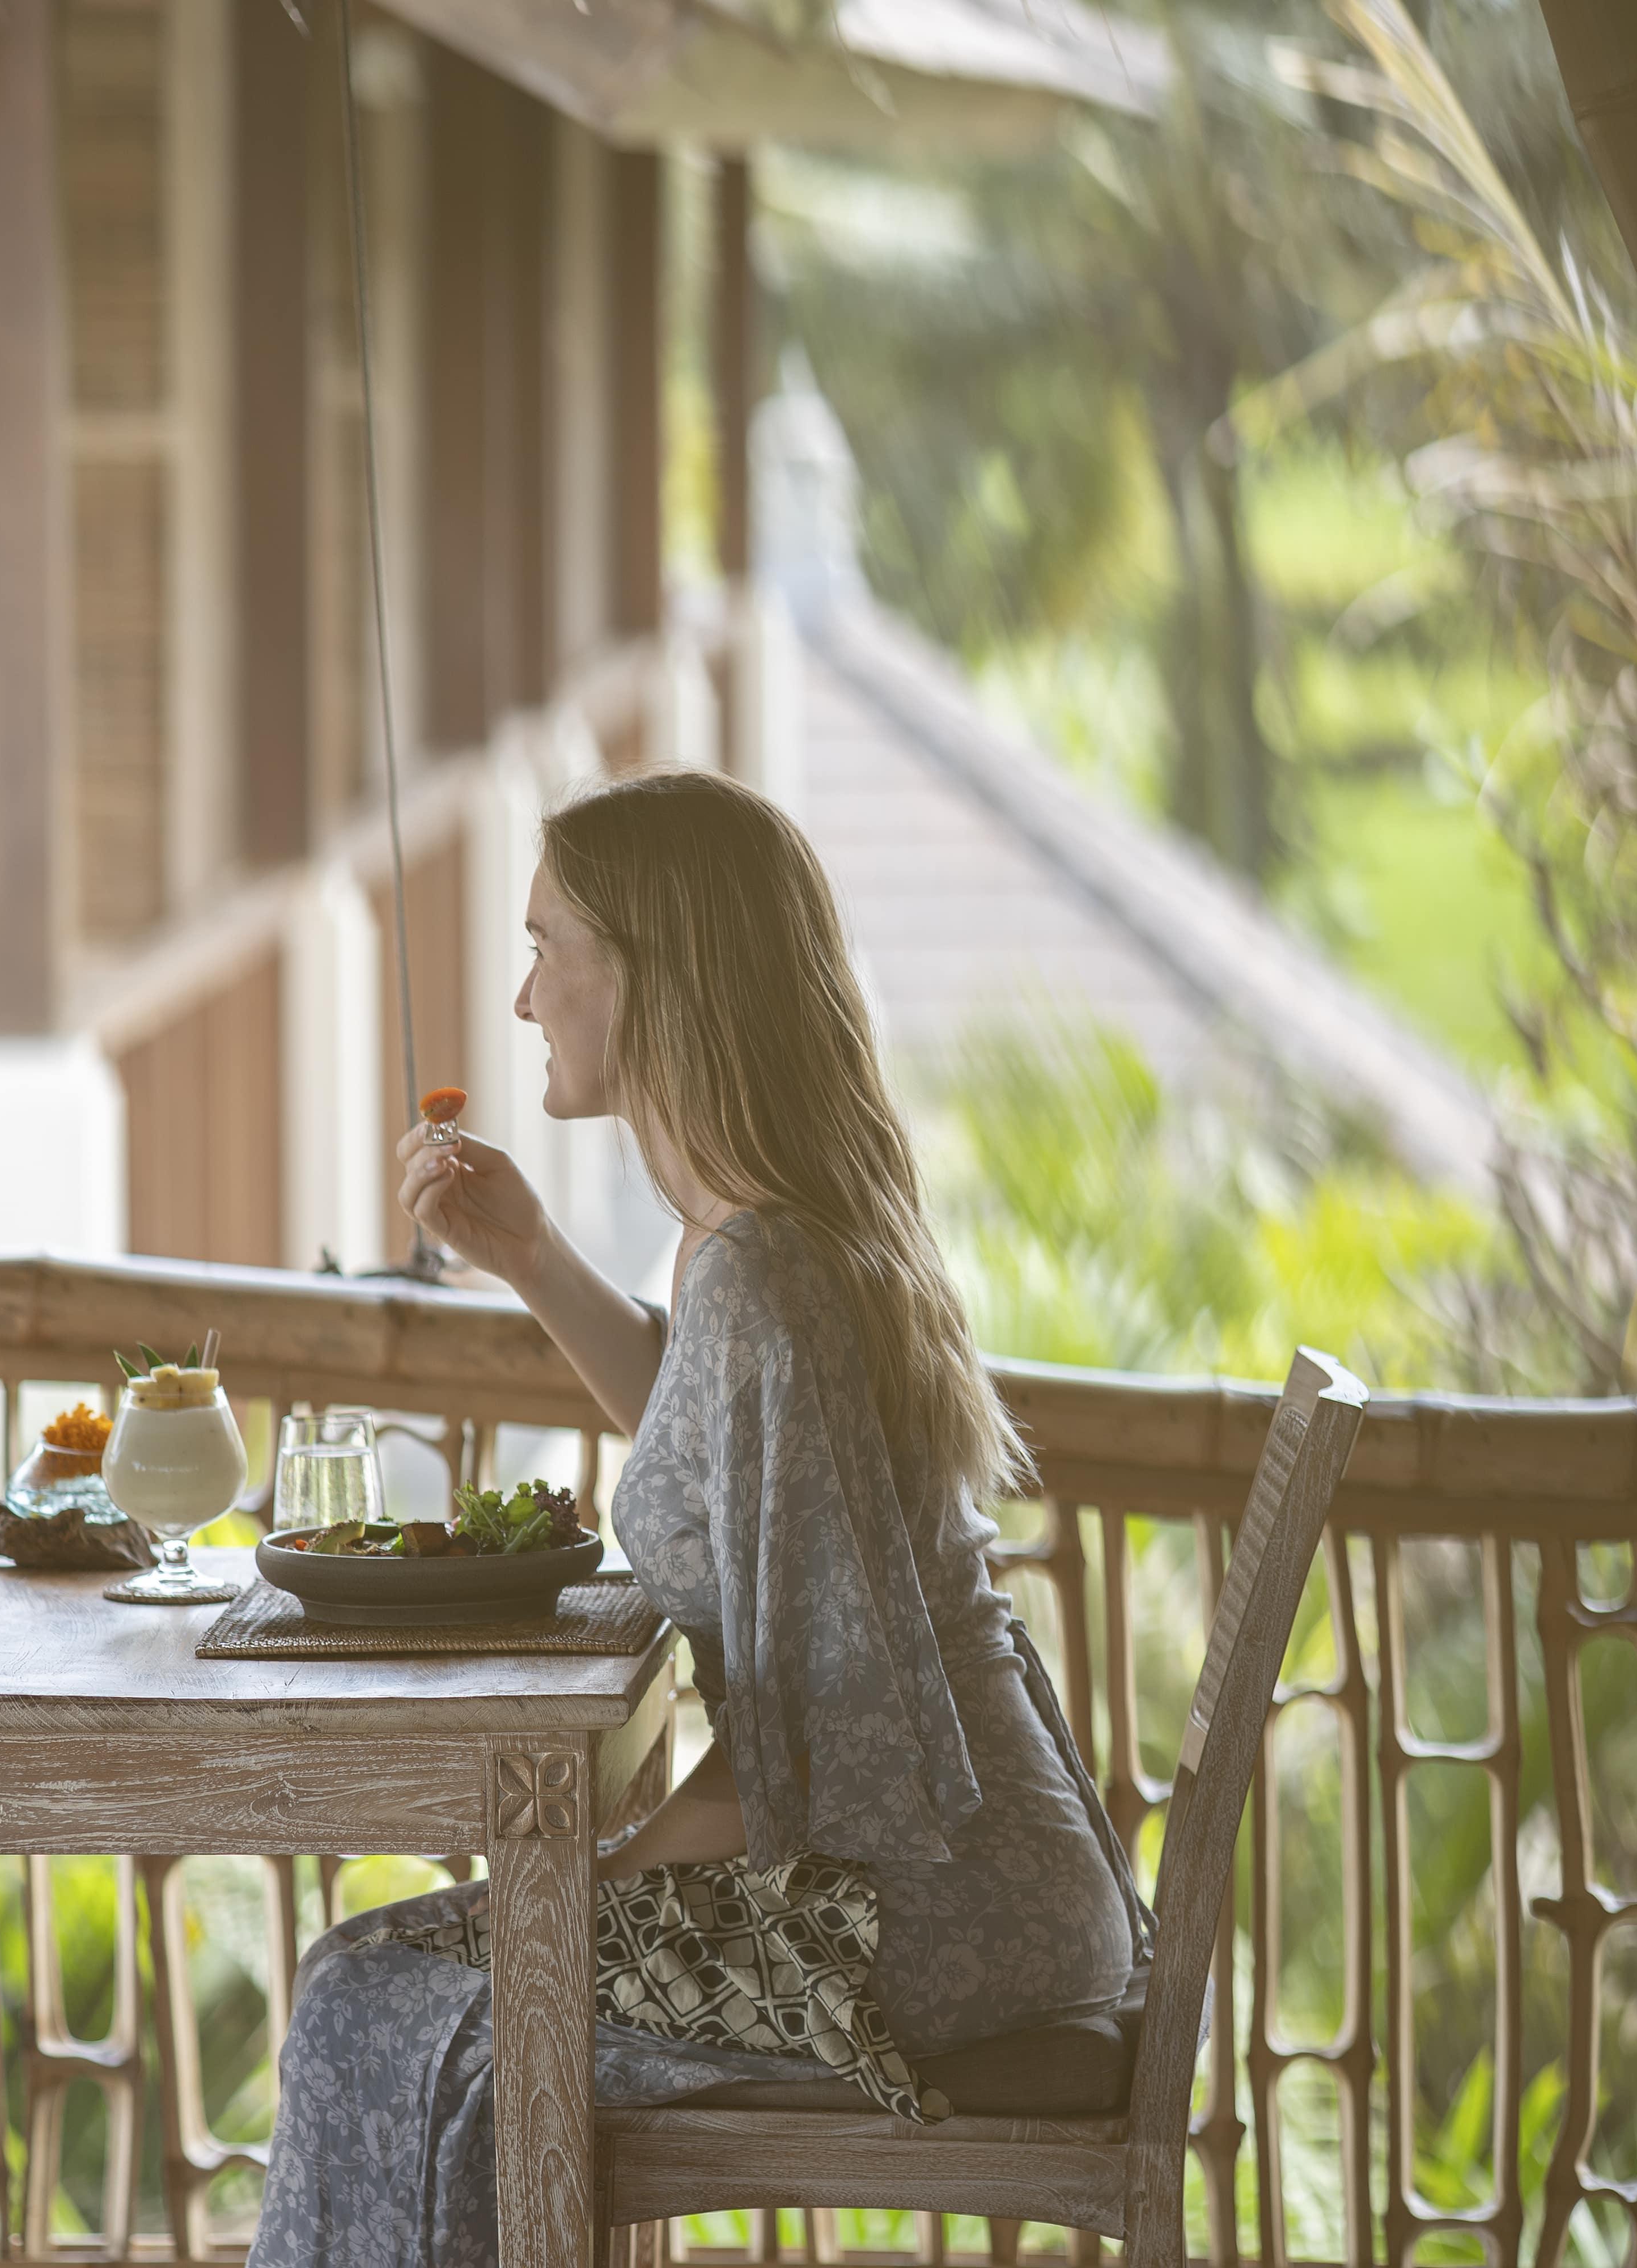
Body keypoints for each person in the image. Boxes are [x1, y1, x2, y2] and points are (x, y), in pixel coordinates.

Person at [248, 770, 1143, 2267]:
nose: (526, 1000)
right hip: (952, 1880)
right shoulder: (760, 1248)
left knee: (379, 1998)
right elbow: (719, 1434)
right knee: (391, 1985)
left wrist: (567, 1890)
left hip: (928, 1922)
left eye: (549, 951)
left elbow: (809, 1739)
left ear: (651, 976)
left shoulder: (771, 1279)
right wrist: (531, 1255)